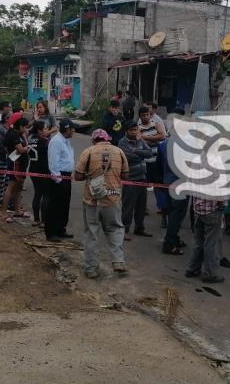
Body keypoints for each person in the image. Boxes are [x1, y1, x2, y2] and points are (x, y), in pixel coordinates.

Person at [75, 129, 130, 278]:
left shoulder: (88, 152)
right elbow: (125, 174)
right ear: (108, 139)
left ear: (94, 140)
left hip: (92, 200)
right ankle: (118, 261)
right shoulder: (119, 152)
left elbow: (78, 175)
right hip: (112, 199)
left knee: (91, 233)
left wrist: (91, 175)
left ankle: (91, 268)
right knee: (115, 229)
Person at [118, 121, 153, 239]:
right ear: (126, 131)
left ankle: (139, 228)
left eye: (135, 130)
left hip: (142, 177)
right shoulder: (122, 142)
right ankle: (124, 230)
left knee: (141, 205)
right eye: (131, 130)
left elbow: (150, 153)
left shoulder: (140, 141)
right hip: (131, 178)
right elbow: (128, 157)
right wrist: (140, 155)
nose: (134, 132)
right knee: (128, 206)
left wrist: (137, 151)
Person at [185, 195, 226, 284]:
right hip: (211, 211)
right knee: (211, 244)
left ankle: (192, 268)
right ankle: (210, 273)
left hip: (198, 209)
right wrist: (221, 205)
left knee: (198, 242)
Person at [47, 118, 75, 241]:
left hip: (66, 176)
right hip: (59, 177)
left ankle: (60, 229)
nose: (74, 131)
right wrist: (59, 180)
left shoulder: (66, 141)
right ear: (67, 129)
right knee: (55, 205)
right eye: (72, 129)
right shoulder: (56, 141)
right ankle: (52, 232)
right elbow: (53, 163)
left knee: (64, 205)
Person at [1, 117, 29, 223]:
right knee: (11, 187)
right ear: (20, 126)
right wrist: (28, 148)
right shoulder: (13, 134)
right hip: (15, 163)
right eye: (25, 127)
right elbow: (20, 149)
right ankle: (3, 211)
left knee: (18, 187)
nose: (26, 129)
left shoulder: (20, 134)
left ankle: (17, 210)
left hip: (22, 164)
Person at [28, 120, 51, 228]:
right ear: (40, 130)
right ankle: (44, 221)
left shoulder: (31, 139)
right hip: (43, 170)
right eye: (45, 128)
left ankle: (36, 219)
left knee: (37, 194)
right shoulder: (44, 141)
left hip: (32, 169)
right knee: (46, 195)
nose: (47, 130)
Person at [137, 106, 166, 187]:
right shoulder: (138, 128)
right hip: (146, 159)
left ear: (150, 115)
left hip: (157, 157)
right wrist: (156, 138)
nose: (146, 117)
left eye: (147, 114)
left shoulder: (156, 124)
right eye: (143, 115)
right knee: (147, 182)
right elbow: (140, 141)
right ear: (140, 116)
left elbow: (163, 136)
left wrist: (145, 137)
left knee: (157, 180)